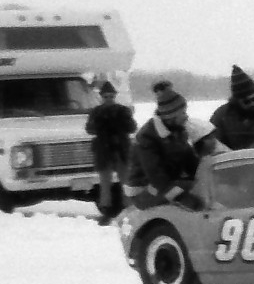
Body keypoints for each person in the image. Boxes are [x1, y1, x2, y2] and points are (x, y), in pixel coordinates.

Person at [123, 81, 201, 210]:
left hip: (166, 184)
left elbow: (190, 161)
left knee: (201, 185)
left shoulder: (177, 131)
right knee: (191, 189)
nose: (186, 116)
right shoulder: (147, 137)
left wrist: (204, 173)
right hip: (144, 190)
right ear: (171, 116)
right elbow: (155, 175)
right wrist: (181, 197)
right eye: (182, 113)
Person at [85, 81, 136, 225]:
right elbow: (89, 129)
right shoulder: (96, 112)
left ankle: (130, 209)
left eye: (111, 96)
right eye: (106, 96)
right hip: (104, 151)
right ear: (101, 97)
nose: (109, 99)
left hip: (121, 150)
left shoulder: (123, 111)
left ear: (115, 97)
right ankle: (106, 211)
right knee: (105, 184)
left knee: (126, 182)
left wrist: (120, 123)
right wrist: (101, 123)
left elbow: (132, 127)